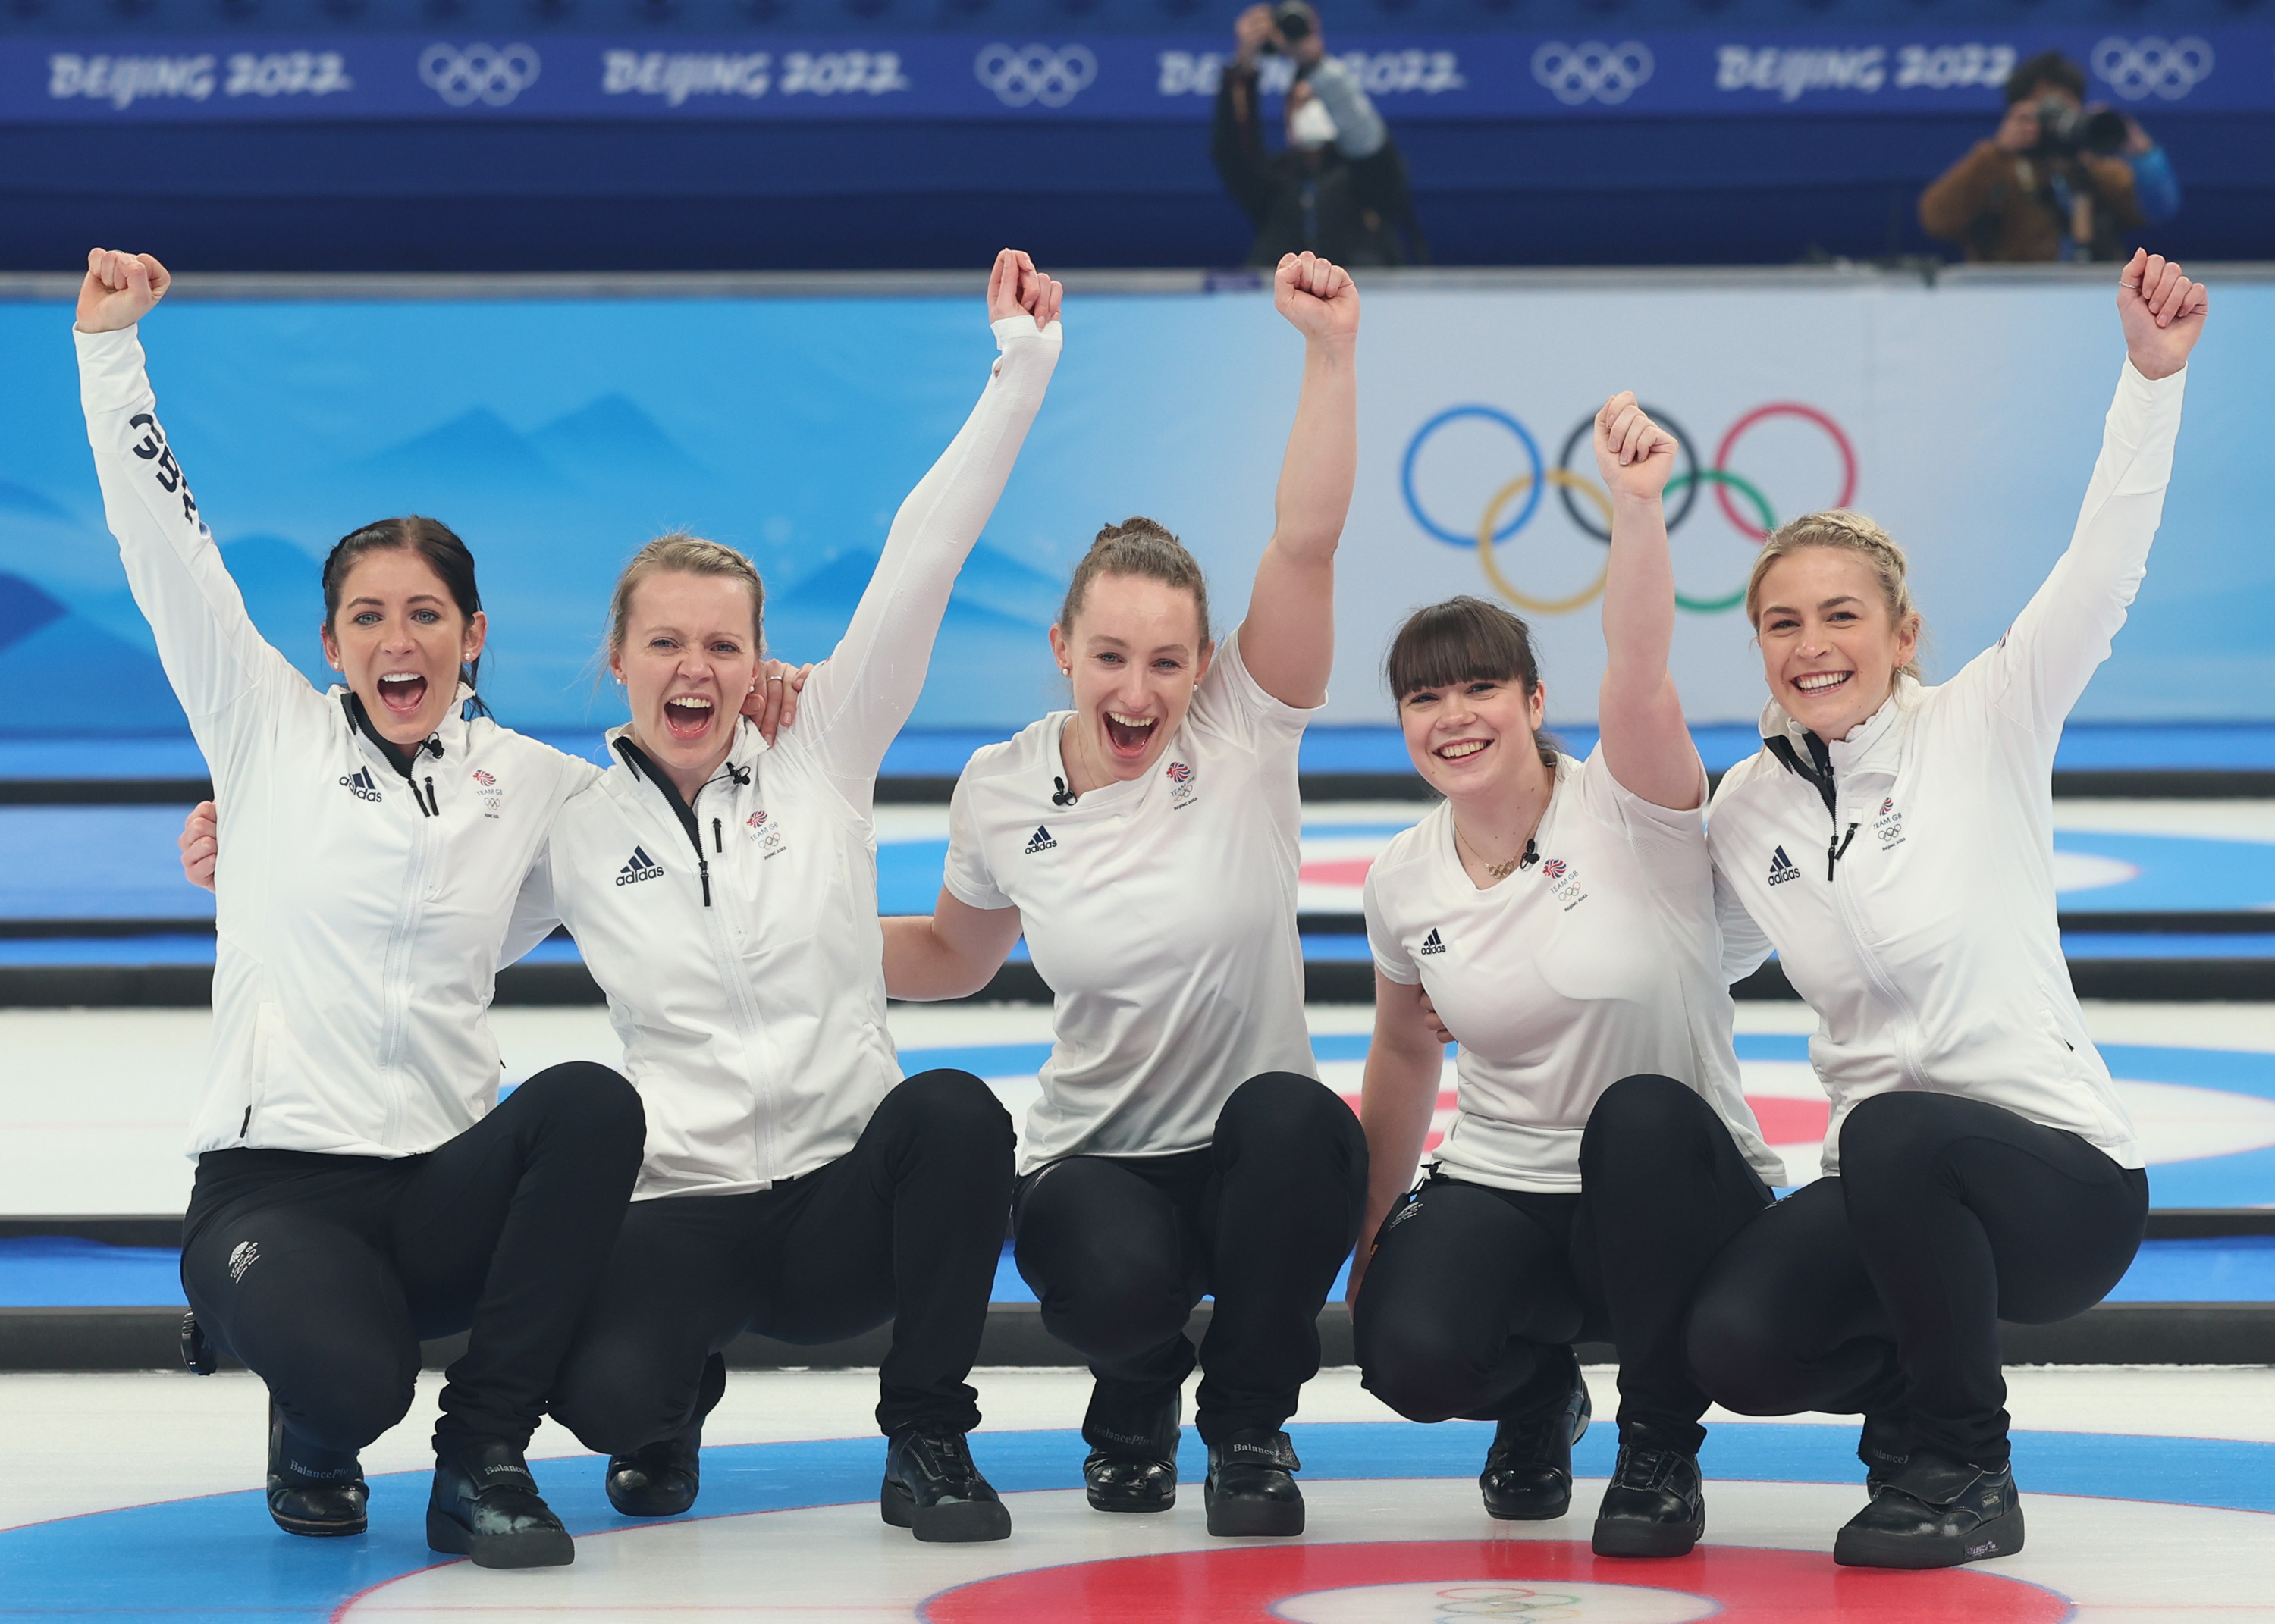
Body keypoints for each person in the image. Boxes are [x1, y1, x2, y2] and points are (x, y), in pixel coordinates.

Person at [76, 247, 647, 1569]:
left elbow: (682, 818)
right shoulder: (264, 730)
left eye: (429, 614)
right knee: (351, 1379)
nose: (402, 640)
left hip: (445, 1181)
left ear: (475, 634)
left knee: (590, 1100)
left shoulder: (540, 787)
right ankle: (305, 1411)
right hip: (275, 1187)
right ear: (329, 644)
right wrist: (112, 354)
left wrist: (770, 704)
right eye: (370, 617)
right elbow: (166, 547)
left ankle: (485, 1452)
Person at [1685, 250, 2207, 1569]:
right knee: (1737, 1340)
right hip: (1895, 1197)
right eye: (1783, 622)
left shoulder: (1987, 719)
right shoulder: (1747, 808)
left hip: (2059, 1184)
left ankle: (1970, 1466)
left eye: (1843, 616)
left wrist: (2152, 381)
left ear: (1903, 632)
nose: (1813, 644)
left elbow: (2104, 566)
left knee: (1898, 1132)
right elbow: (1695, 953)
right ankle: (1915, 1413)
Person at [530, 253, 1062, 1544]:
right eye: (665, 641)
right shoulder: (562, 821)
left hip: (841, 1204)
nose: (696, 666)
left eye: (724, 642)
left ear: (760, 660)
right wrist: (240, 848)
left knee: (952, 1115)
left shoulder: (822, 747)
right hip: (688, 1204)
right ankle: (671, 1401)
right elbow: (408, 898)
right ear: (618, 662)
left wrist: (1021, 372)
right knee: (601, 1399)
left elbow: (924, 553)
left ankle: (928, 1433)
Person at [880, 252, 1366, 1538]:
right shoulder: (1001, 787)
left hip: (1253, 1156)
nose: (1139, 688)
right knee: (1110, 1272)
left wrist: (1330, 353)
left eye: (1166, 659)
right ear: (1063, 651)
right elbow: (949, 950)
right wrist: (772, 938)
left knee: (1305, 1127)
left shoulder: (1246, 731)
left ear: (1204, 662)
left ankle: (1250, 1425)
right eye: (1110, 656)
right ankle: (1137, 1391)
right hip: (1099, 1160)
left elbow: (1306, 542)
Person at [1347, 397, 1784, 1559]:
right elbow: (1402, 1049)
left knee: (1639, 1121)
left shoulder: (1626, 803)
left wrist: (1634, 509)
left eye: (1480, 687)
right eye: (1424, 697)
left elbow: (1639, 670)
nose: (1454, 716)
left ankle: (1657, 1444)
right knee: (1407, 1348)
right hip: (1507, 1183)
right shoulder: (1402, 880)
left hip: (1678, 1187)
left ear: (1535, 703)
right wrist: (1373, 1223)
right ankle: (1539, 1398)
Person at [1213, 2, 1424, 268]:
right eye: (1299, 104)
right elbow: (1233, 152)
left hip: (1364, 301)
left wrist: (1314, 63)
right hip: (1285, 305)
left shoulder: (1367, 174)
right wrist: (1242, 68)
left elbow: (1367, 138)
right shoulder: (1273, 182)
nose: (1309, 110)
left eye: (1316, 101)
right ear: (1287, 119)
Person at [1919, 51, 2145, 262]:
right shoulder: (1995, 165)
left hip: (2093, 290)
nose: (2055, 119)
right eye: (2045, 108)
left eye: (2063, 107)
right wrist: (1996, 153)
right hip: (2008, 294)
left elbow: (2153, 210)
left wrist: (2137, 152)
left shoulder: (2095, 164)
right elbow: (1936, 221)